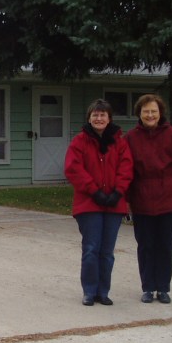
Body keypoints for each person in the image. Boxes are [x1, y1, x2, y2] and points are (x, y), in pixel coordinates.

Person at [125, 94, 172, 304]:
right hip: (142, 202)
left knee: (165, 245)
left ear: (160, 113)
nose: (150, 115)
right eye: (146, 111)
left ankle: (163, 288)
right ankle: (148, 287)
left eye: (153, 111)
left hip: (169, 201)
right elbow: (126, 171)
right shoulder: (130, 138)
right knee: (146, 245)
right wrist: (126, 199)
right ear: (139, 113)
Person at [64, 99, 134, 306]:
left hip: (113, 204)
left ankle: (103, 291)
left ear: (109, 118)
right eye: (95, 114)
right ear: (89, 118)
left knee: (107, 251)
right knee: (91, 248)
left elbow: (127, 168)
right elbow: (73, 169)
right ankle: (89, 291)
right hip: (89, 204)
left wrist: (118, 192)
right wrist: (94, 191)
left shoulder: (120, 142)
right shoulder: (79, 142)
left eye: (103, 115)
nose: (99, 118)